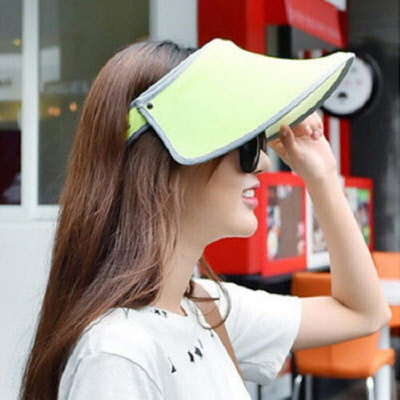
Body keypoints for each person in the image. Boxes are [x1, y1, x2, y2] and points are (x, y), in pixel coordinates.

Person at [19, 38, 391, 400]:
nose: (263, 163)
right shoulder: (118, 353)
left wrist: (322, 177)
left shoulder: (204, 306)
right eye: (247, 146)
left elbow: (362, 313)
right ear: (165, 166)